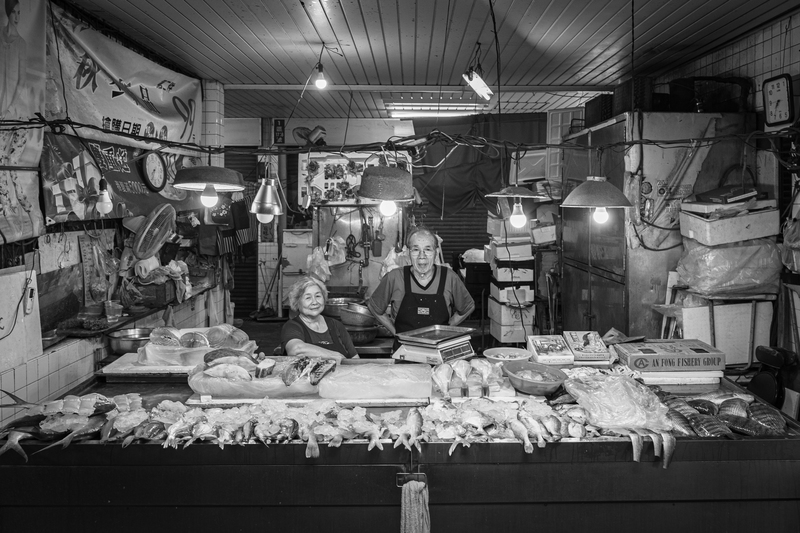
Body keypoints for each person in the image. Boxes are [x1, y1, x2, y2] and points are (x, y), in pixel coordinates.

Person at [367, 227, 475, 343]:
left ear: (436, 253)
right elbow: (375, 308)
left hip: (439, 354)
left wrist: (446, 328)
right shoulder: (394, 277)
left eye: (428, 249)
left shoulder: (449, 277)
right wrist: (395, 332)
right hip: (405, 352)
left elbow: (467, 308)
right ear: (408, 253)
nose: (421, 255)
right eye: (415, 250)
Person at [281, 276, 357, 364]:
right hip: (308, 378)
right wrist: (333, 356)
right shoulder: (292, 326)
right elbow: (296, 349)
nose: (314, 302)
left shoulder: (336, 325)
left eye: (318, 296)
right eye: (308, 298)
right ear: (297, 302)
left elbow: (355, 360)